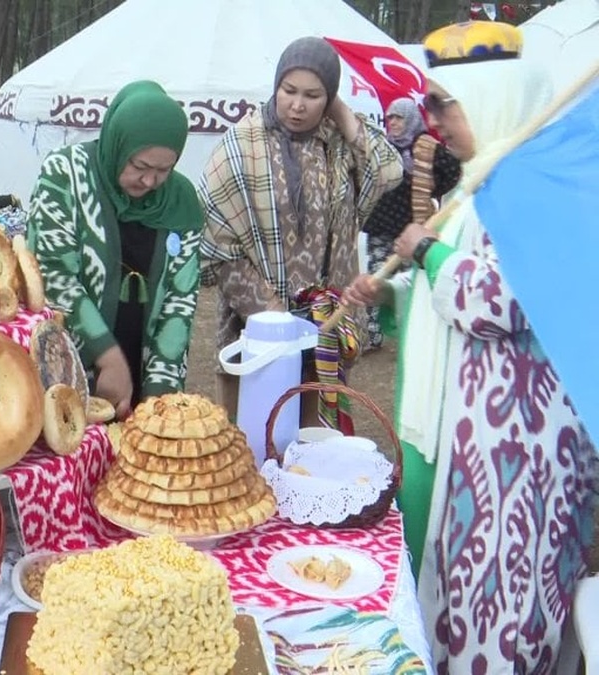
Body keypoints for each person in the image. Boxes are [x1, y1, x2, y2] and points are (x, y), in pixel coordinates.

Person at [343, 21, 596, 675]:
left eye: (442, 104)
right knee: (468, 597)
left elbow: (492, 302)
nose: (432, 121)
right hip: (486, 439)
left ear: (489, 98)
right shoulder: (492, 178)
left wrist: (425, 249)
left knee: (503, 611)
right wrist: (396, 286)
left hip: (522, 455)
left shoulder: (537, 191)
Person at [198, 36, 402, 429]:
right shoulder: (242, 144)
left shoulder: (338, 145)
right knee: (256, 439)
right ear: (275, 86)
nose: (297, 105)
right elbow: (217, 241)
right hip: (256, 328)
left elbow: (390, 171)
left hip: (325, 327)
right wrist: (276, 321)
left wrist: (343, 114)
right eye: (288, 91)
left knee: (310, 444)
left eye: (313, 95)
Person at [26, 80, 205, 419]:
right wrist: (105, 356)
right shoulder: (67, 175)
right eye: (139, 166)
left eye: (163, 170)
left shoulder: (180, 202)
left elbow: (178, 305)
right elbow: (54, 274)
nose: (150, 181)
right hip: (70, 365)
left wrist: (158, 402)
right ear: (119, 143)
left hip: (145, 363)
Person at [360, 98, 461, 349]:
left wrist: (431, 190)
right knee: (376, 281)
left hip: (413, 230)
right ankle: (372, 336)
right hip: (381, 228)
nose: (392, 122)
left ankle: (412, 337)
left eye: (399, 117)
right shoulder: (384, 148)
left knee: (414, 285)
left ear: (411, 119)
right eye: (390, 117)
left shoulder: (426, 147)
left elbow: (452, 170)